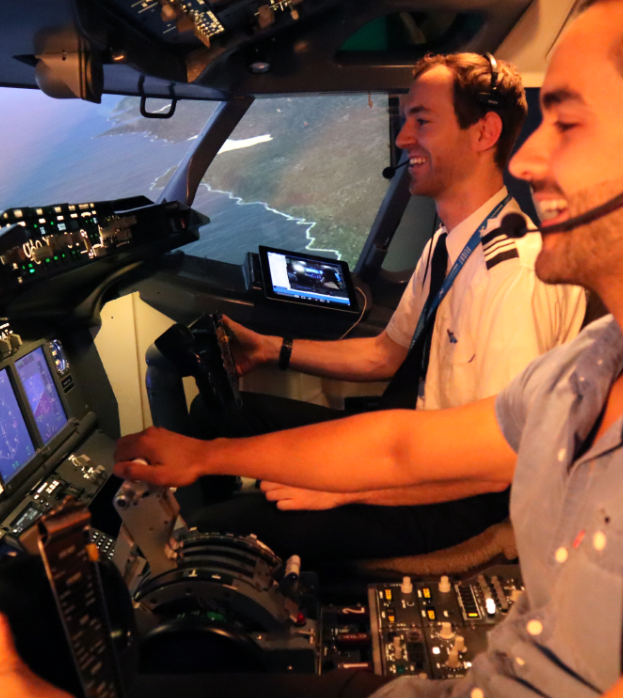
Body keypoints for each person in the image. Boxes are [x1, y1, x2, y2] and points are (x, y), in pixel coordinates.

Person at [0, 0, 623, 698]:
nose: (532, 157)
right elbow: (409, 444)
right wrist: (207, 457)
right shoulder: (593, 367)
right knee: (132, 692)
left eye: (569, 123)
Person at [187, 53, 586, 564]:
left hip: (455, 495)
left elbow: (499, 464)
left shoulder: (514, 275)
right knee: (220, 412)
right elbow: (384, 354)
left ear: (483, 131)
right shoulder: (447, 244)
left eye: (422, 121)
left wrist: (346, 488)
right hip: (411, 441)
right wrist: (271, 349)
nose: (401, 139)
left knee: (213, 532)